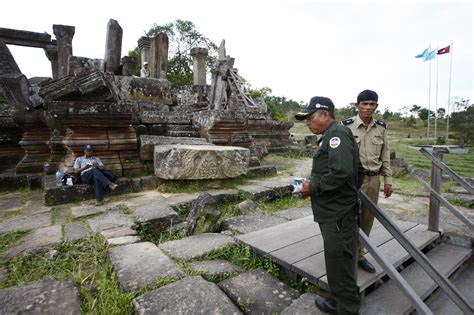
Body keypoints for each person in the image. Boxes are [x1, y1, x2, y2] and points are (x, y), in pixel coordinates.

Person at [296, 96, 364, 315]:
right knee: (336, 261)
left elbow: (342, 173)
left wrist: (312, 188)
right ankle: (338, 301)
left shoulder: (337, 135)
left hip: (338, 214)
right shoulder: (330, 135)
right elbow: (357, 171)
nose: (307, 122)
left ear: (324, 115)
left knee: (340, 262)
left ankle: (347, 309)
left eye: (310, 117)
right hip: (334, 210)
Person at [342, 89, 393, 274]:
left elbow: (385, 155)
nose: (368, 107)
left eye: (372, 104)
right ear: (357, 105)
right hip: (352, 181)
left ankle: (360, 256)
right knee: (350, 218)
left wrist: (388, 179)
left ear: (376, 106)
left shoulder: (381, 128)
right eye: (364, 104)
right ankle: (346, 256)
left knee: (367, 220)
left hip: (373, 180)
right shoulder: (346, 127)